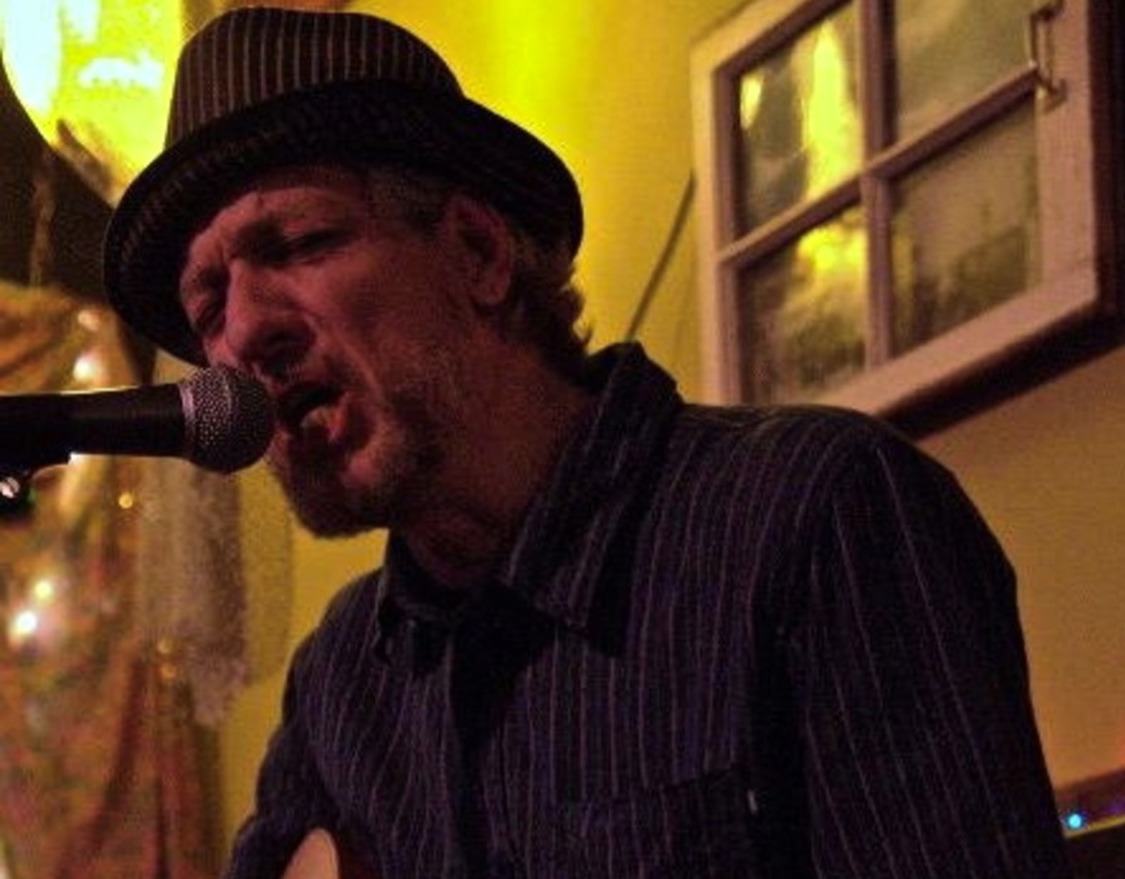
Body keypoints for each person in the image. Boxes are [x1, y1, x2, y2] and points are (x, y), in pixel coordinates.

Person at [102, 7, 1073, 878]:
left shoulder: (812, 514)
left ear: (478, 253)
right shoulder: (340, 682)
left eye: (300, 243)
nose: (243, 331)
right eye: (208, 303)